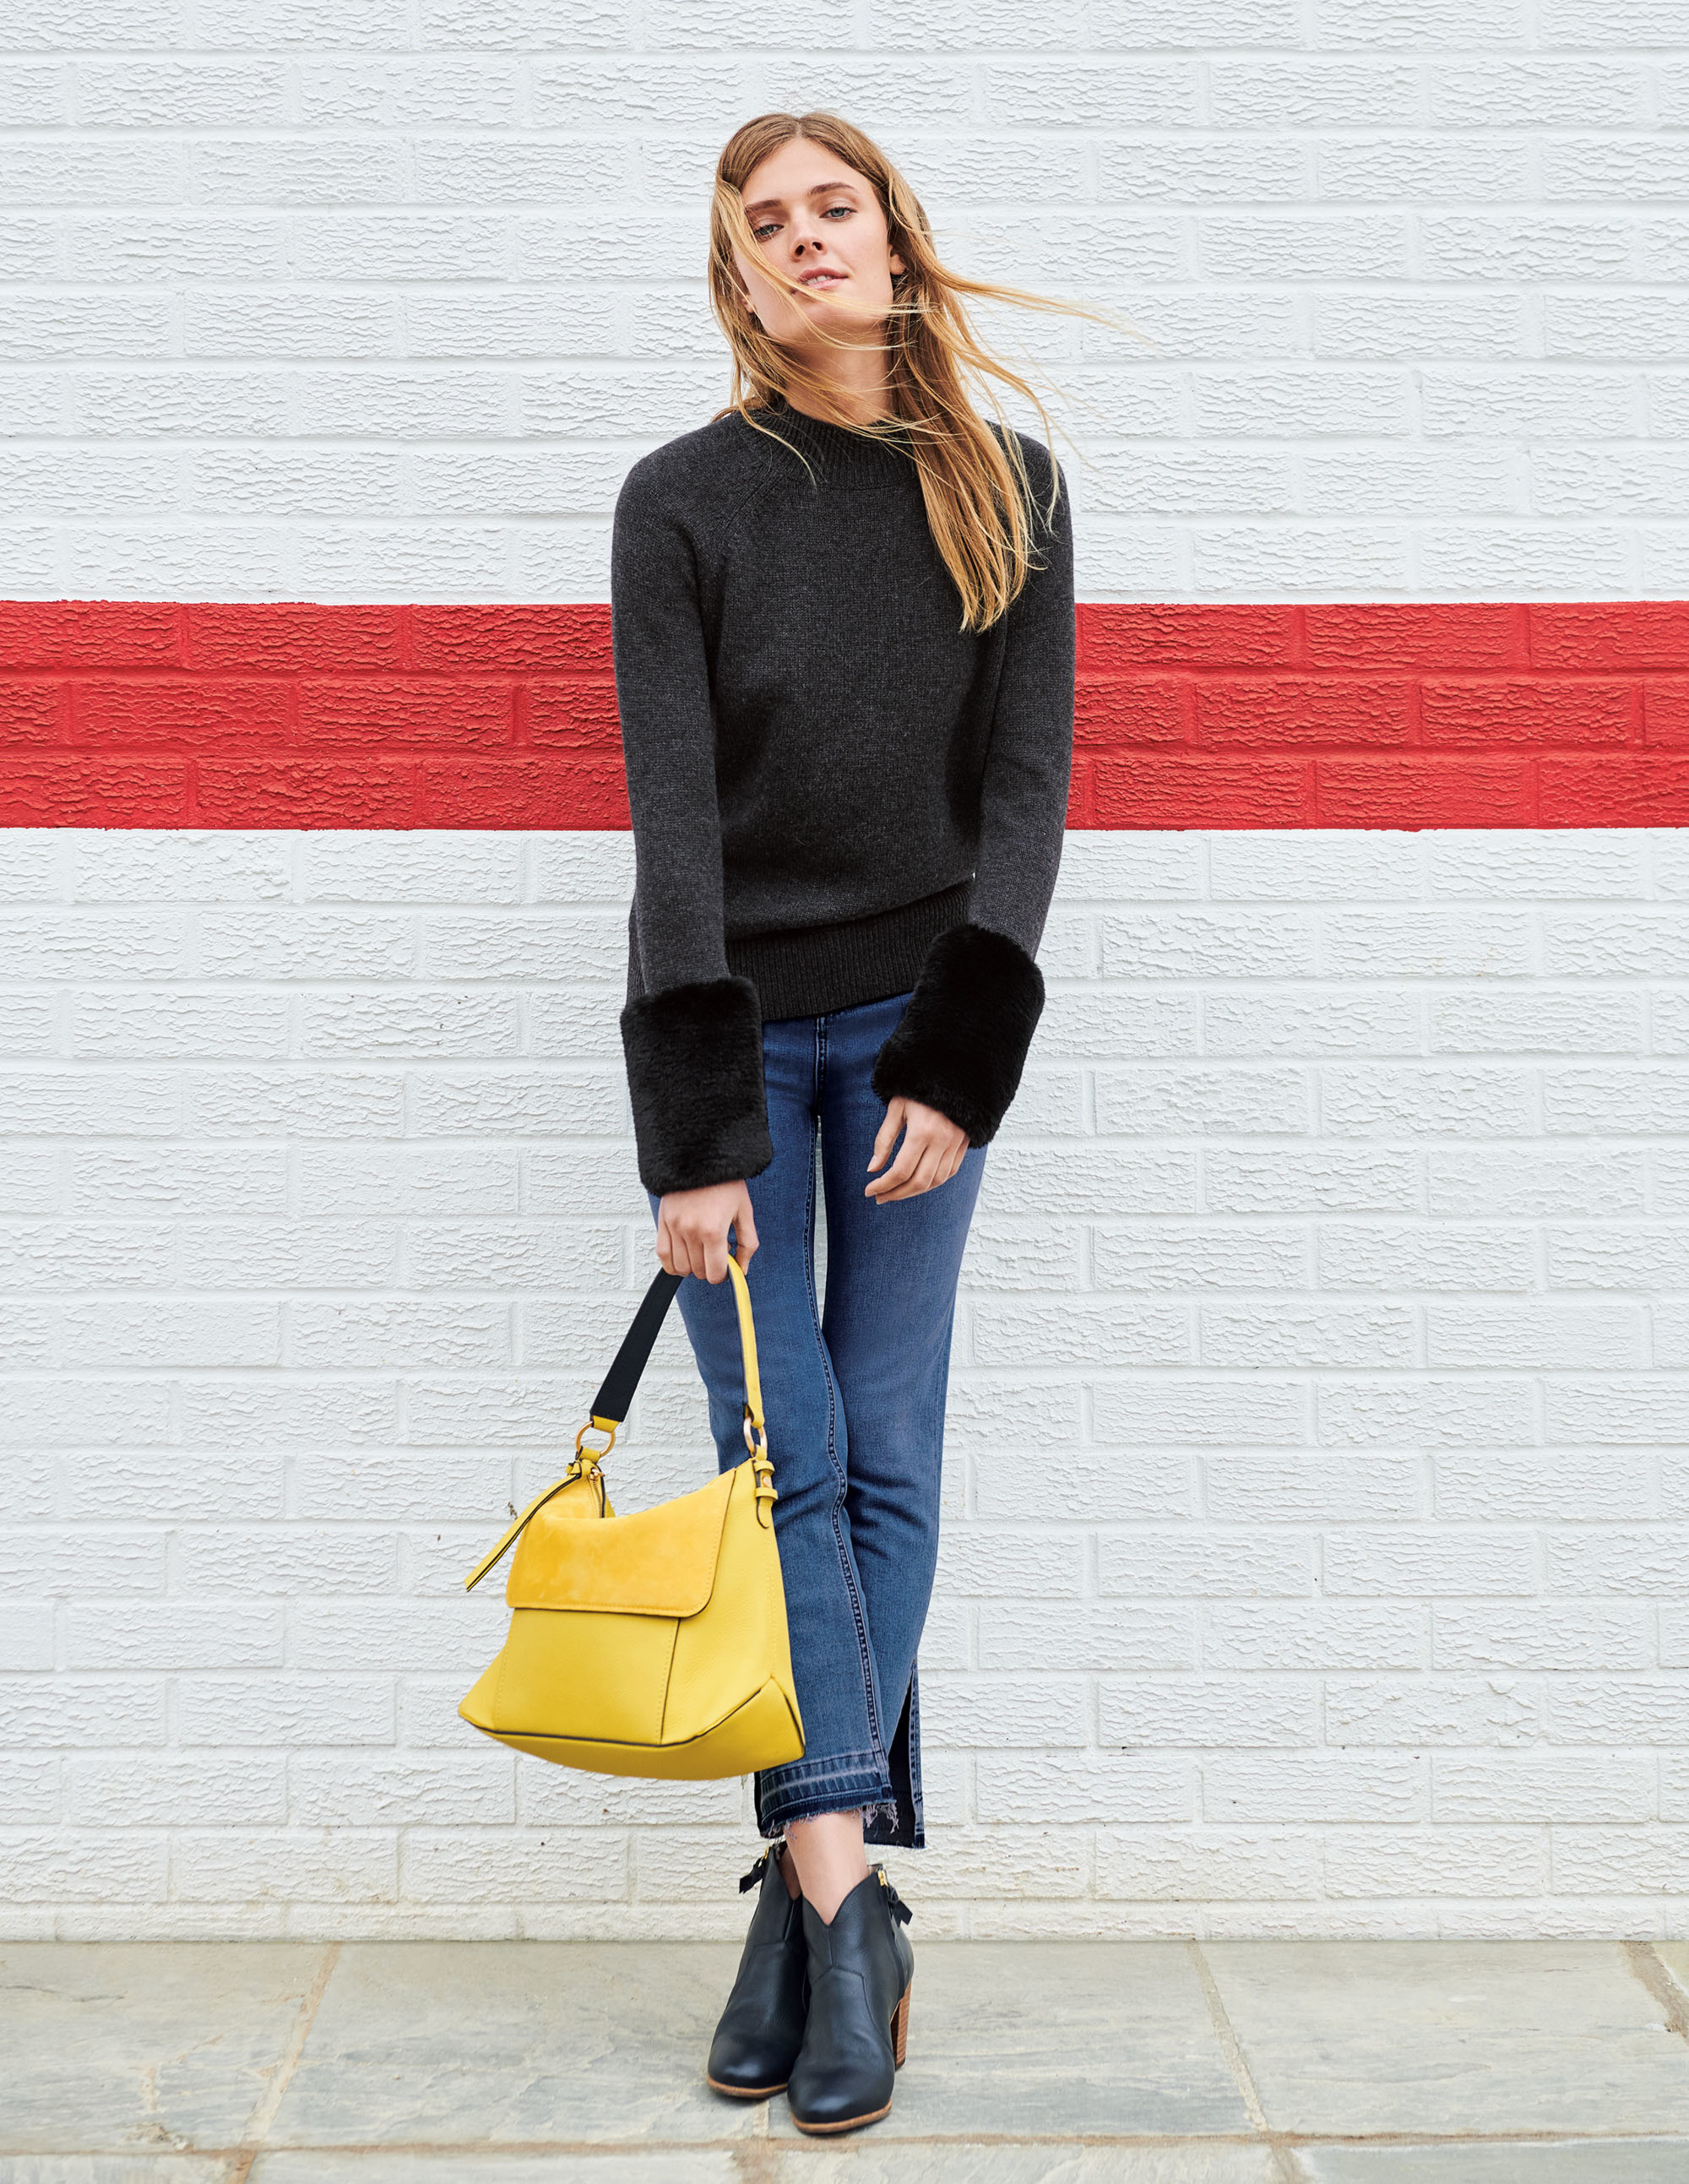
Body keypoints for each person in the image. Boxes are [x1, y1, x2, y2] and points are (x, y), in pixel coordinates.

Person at [610, 109, 1085, 2136]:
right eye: (765, 221)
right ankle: (841, 1899)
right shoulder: (681, 500)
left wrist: (960, 1061)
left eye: (832, 204)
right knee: (779, 1461)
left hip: (912, 1044)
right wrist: (694, 1128)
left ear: (892, 230)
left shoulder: (1010, 487)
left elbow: (1025, 795)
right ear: (737, 270)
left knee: (882, 1453)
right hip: (744, 1044)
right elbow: (673, 823)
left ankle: (804, 1921)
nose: (805, 238)